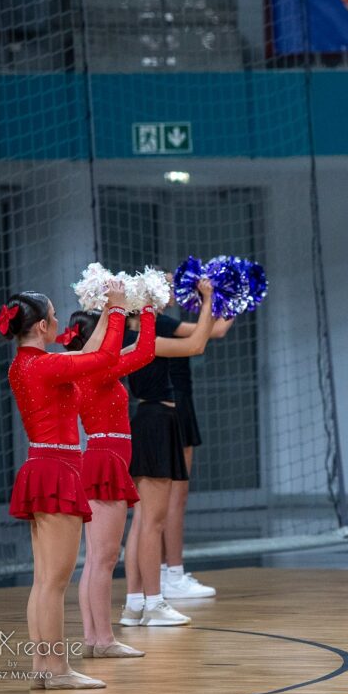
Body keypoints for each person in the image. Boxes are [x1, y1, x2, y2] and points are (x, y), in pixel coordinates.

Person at [0, 280, 126, 689]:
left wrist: (105, 314)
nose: (57, 320)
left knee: (44, 580)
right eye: (52, 315)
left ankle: (44, 666)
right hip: (55, 470)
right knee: (54, 582)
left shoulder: (27, 363)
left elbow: (86, 356)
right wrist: (121, 310)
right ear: (40, 328)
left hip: (43, 466)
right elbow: (104, 357)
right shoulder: (45, 366)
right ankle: (54, 669)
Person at [119, 279, 215, 628]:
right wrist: (207, 301)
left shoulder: (132, 339)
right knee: (152, 522)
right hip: (157, 422)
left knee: (142, 521)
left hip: (149, 420)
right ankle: (155, 603)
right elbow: (197, 343)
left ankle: (134, 604)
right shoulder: (144, 342)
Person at [68, 302, 157, 659]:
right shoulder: (96, 372)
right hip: (105, 461)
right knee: (103, 559)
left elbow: (141, 349)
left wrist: (144, 309)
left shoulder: (90, 369)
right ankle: (102, 640)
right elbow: (144, 350)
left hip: (101, 458)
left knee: (95, 560)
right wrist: (135, 308)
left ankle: (93, 638)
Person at [160, 284, 236, 600]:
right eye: (166, 283)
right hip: (172, 408)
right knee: (173, 499)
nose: (174, 287)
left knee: (165, 502)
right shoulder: (160, 323)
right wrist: (236, 298)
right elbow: (213, 332)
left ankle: (166, 572)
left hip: (174, 407)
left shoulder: (155, 322)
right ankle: (172, 573)